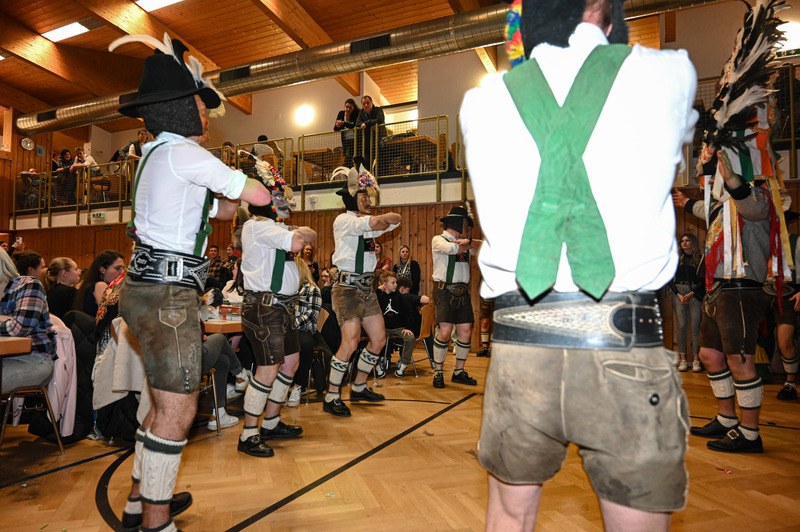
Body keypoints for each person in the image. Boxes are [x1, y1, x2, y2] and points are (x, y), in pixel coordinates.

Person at [460, 0, 697, 529]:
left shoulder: (483, 100)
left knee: (509, 515)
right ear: (606, 14)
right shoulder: (669, 73)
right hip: (623, 343)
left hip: (519, 346)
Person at [109, 33, 271, 532]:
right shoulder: (184, 153)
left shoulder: (155, 154)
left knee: (160, 405)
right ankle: (157, 523)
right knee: (179, 411)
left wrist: (227, 189)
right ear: (180, 108)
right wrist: (250, 177)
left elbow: (221, 211)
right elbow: (260, 197)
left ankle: (140, 501)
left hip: (144, 290)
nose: (207, 117)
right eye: (201, 108)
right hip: (168, 296)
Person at [235, 162, 316, 457]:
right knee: (268, 369)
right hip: (264, 307)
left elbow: (311, 235)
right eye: (278, 197)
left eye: (284, 197)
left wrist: (296, 232)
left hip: (282, 307)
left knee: (290, 363)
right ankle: (247, 434)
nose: (285, 202)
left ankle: (270, 422)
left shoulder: (274, 228)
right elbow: (298, 242)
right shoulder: (258, 226)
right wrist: (296, 233)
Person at [322, 162, 401, 417]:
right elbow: (379, 222)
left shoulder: (365, 224)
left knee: (378, 339)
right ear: (352, 199)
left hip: (367, 289)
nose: (368, 200)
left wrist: (379, 220)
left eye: (369, 196)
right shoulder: (343, 220)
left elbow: (396, 219)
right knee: (351, 341)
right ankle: (332, 395)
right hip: (346, 288)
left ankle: (358, 386)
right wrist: (377, 221)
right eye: (363, 197)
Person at [430, 205, 480, 388]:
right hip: (444, 290)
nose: (467, 227)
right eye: (465, 223)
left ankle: (459, 372)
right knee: (444, 333)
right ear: (458, 223)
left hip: (463, 291)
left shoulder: (465, 242)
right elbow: (452, 249)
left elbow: (483, 248)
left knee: (465, 331)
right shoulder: (438, 239)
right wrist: (468, 243)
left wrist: (470, 241)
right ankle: (438, 372)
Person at [0, 249, 56, 394]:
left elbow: (19, 328)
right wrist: (6, 320)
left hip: (33, 359)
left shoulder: (28, 285)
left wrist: (12, 322)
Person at [291, 257, 334, 405]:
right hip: (285, 329)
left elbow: (312, 315)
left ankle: (298, 386)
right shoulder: (285, 288)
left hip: (305, 329)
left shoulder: (312, 289)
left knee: (305, 344)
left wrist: (292, 324)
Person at [667, 232, 704, 372]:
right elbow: (669, 278)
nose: (684, 243)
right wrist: (677, 294)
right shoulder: (676, 259)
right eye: (682, 241)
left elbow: (703, 279)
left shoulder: (700, 259)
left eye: (687, 240)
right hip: (679, 292)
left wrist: (692, 293)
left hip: (694, 292)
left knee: (695, 327)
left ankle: (696, 360)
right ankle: (682, 359)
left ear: (693, 242)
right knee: (681, 326)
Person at [376, 271, 416, 378]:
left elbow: (410, 312)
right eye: (393, 283)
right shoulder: (380, 296)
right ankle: (377, 365)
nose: (395, 285)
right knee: (374, 339)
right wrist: (378, 290)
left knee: (410, 338)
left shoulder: (400, 297)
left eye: (396, 283)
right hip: (383, 328)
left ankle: (403, 365)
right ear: (385, 284)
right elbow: (371, 303)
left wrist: (408, 328)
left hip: (398, 327)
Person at [74, 250, 125, 317]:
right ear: (102, 269)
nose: (122, 272)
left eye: (123, 268)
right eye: (118, 268)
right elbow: (109, 314)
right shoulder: (101, 285)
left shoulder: (91, 284)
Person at [355, 95, 385, 171]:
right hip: (368, 143)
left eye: (368, 103)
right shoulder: (361, 113)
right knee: (367, 163)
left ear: (372, 103)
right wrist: (362, 124)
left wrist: (366, 123)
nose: (366, 105)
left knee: (380, 163)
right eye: (364, 103)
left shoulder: (378, 110)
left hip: (379, 141)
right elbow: (357, 123)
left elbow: (380, 120)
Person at [334, 98, 359, 167]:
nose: (348, 109)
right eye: (346, 107)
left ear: (353, 108)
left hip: (355, 140)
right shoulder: (341, 113)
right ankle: (348, 172)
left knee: (356, 158)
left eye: (350, 107)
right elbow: (335, 129)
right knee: (347, 158)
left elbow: (355, 126)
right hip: (345, 140)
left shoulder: (357, 114)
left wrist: (344, 123)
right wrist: (338, 125)